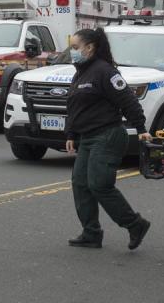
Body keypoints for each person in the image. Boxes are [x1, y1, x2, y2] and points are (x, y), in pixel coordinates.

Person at [64, 28, 152, 251]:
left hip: (108, 135)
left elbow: (128, 101)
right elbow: (74, 107)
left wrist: (141, 128)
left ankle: (135, 224)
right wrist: (71, 134)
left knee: (99, 184)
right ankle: (91, 233)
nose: (72, 52)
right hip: (88, 137)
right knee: (81, 184)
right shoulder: (80, 72)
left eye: (75, 48)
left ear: (90, 48)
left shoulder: (105, 72)